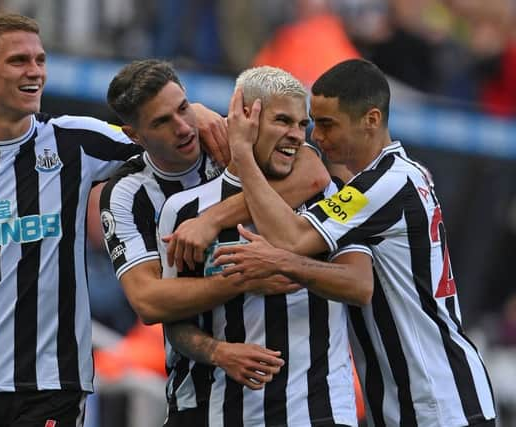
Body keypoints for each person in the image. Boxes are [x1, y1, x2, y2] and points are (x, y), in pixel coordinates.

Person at [0, 13, 225, 427]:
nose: (35, 72)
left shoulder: (75, 140)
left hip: (52, 385)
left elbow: (156, 132)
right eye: (19, 61)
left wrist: (196, 111)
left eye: (40, 60)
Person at [207, 59, 496, 426]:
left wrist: (243, 154)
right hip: (412, 403)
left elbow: (290, 239)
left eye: (327, 125)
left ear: (371, 120)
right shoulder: (391, 178)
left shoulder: (384, 185)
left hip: (437, 402)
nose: (315, 136)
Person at [156, 65, 373, 427]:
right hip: (227, 413)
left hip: (321, 413)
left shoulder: (342, 197)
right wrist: (219, 351)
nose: (296, 136)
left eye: (302, 125)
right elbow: (174, 323)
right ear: (245, 119)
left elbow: (360, 285)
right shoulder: (185, 212)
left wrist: (282, 264)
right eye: (283, 121)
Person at [100, 59, 332, 391]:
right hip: (194, 381)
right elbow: (149, 301)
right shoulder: (127, 193)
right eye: (163, 121)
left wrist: (212, 219)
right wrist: (245, 279)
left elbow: (312, 174)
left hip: (285, 381)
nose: (182, 127)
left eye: (183, 108)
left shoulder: (224, 136)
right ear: (135, 136)